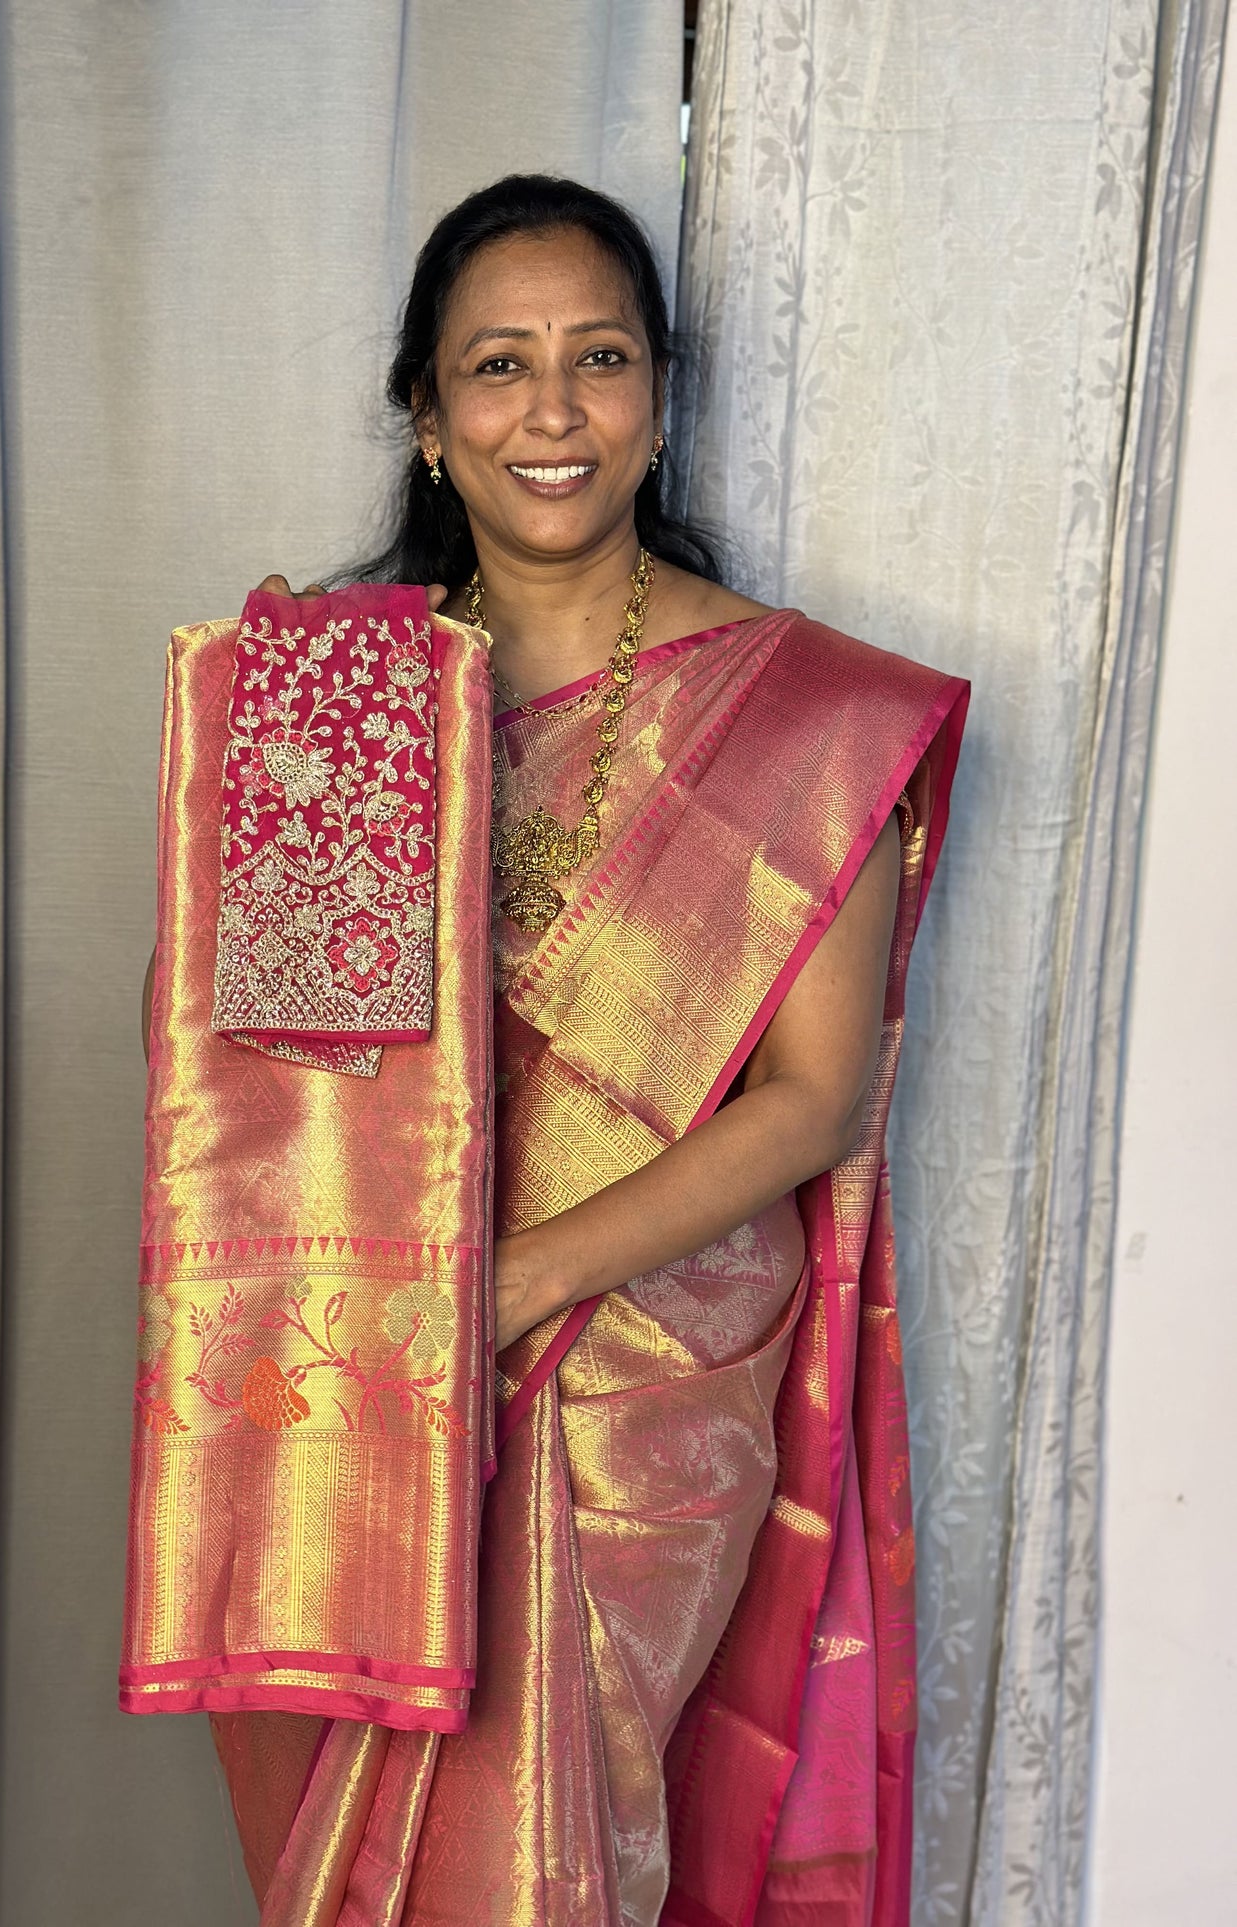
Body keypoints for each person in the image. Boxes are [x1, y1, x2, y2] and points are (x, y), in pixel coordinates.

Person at [135, 176, 967, 1926]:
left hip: (631, 1378)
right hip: (364, 1379)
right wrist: (286, 772)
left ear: (658, 395)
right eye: (497, 367)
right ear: (428, 421)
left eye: (597, 358)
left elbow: (813, 1103)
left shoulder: (799, 710)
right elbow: (269, 1082)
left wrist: (517, 1282)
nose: (552, 410)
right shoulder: (342, 702)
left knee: (552, 1854)